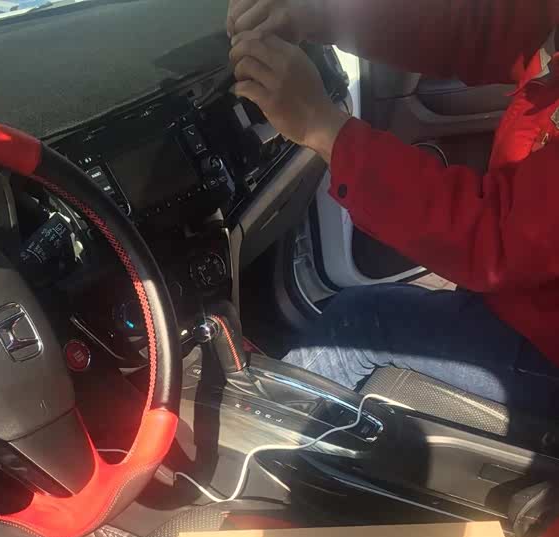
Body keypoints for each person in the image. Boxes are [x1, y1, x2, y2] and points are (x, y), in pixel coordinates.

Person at [227, 0, 559, 417]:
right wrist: (320, 16)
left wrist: (323, 127)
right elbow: (480, 30)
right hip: (527, 298)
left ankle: (248, 432)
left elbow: (494, 239)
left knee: (358, 324)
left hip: (545, 340)